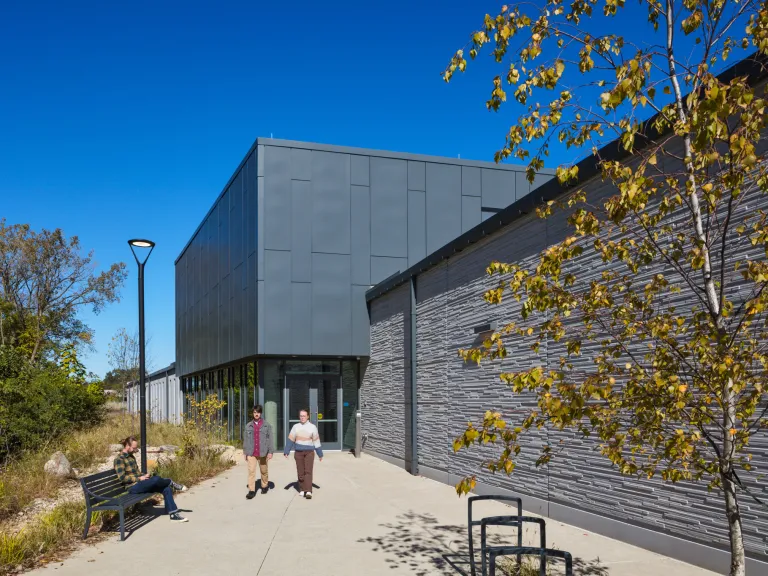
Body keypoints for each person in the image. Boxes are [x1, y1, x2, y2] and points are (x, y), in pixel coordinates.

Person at [113, 436, 189, 523]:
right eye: (134, 448)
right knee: (156, 479)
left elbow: (137, 473)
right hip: (132, 487)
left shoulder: (131, 457)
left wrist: (144, 476)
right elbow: (122, 478)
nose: (135, 450)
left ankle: (173, 514)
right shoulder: (119, 459)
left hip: (140, 484)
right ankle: (170, 482)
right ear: (127, 446)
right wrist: (139, 478)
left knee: (165, 488)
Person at [283, 409, 323, 499]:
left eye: (304, 416)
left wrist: (320, 454)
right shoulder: (295, 427)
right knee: (300, 472)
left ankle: (308, 491)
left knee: (308, 471)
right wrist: (286, 451)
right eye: (301, 416)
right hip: (298, 452)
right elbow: (290, 440)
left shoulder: (312, 427)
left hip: (309, 452)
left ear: (308, 416)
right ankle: (302, 489)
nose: (302, 417)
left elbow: (316, 441)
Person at [243, 404, 274, 499]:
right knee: (251, 471)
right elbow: (246, 440)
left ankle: (264, 485)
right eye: (255, 412)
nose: (256, 414)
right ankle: (252, 490)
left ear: (261, 413)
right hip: (251, 453)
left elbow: (270, 439)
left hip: (263, 452)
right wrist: (245, 452)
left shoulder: (266, 425)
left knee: (264, 471)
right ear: (253, 413)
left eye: (258, 412)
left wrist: (270, 451)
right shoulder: (248, 426)